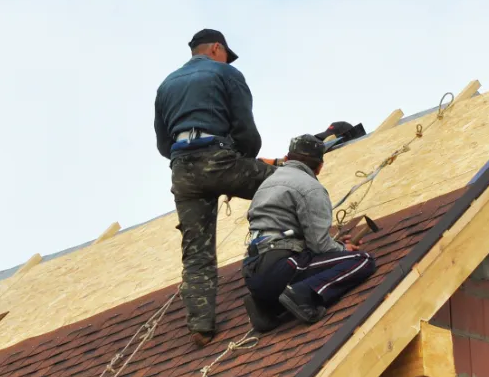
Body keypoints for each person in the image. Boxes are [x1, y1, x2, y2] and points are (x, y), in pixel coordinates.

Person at [154, 28, 276, 347]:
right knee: (283, 182)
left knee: (196, 251)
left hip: (182, 171)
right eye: (225, 54)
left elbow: (163, 142)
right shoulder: (225, 73)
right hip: (218, 158)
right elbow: (245, 128)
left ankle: (201, 326)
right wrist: (241, 163)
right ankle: (294, 256)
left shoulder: (166, 84)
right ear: (216, 49)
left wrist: (190, 159)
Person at [241, 134, 376, 331]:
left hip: (254, 273)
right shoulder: (310, 188)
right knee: (362, 260)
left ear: (287, 158)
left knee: (305, 266)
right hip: (283, 266)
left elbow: (287, 233)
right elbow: (319, 245)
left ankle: (267, 305)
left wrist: (335, 245)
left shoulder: (267, 185)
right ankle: (304, 295)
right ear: (319, 166)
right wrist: (342, 249)